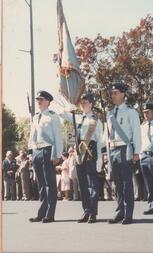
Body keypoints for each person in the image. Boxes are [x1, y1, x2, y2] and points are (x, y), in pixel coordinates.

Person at [59, 93, 103, 223]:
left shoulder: (96, 120)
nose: (83, 104)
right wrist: (69, 107)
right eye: (81, 103)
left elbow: (100, 141)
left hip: (91, 150)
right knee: (82, 183)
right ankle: (86, 211)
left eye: (85, 102)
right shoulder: (77, 117)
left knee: (92, 183)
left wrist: (100, 159)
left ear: (91, 103)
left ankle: (93, 213)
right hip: (79, 152)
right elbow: (61, 113)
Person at [104, 82, 141, 225]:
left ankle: (128, 214)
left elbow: (136, 133)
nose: (113, 95)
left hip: (125, 149)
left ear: (123, 94)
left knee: (126, 183)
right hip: (113, 150)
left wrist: (137, 151)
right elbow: (107, 136)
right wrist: (107, 153)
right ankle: (120, 212)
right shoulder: (109, 114)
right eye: (112, 93)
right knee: (117, 184)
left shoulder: (131, 112)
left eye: (116, 93)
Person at [28, 90, 63, 223]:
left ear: (47, 101)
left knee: (50, 184)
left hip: (48, 151)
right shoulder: (36, 117)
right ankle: (41, 213)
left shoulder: (53, 116)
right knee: (41, 184)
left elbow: (58, 136)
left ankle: (50, 214)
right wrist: (31, 153)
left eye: (41, 99)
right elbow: (32, 136)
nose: (38, 102)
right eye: (37, 100)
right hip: (37, 151)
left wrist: (58, 154)